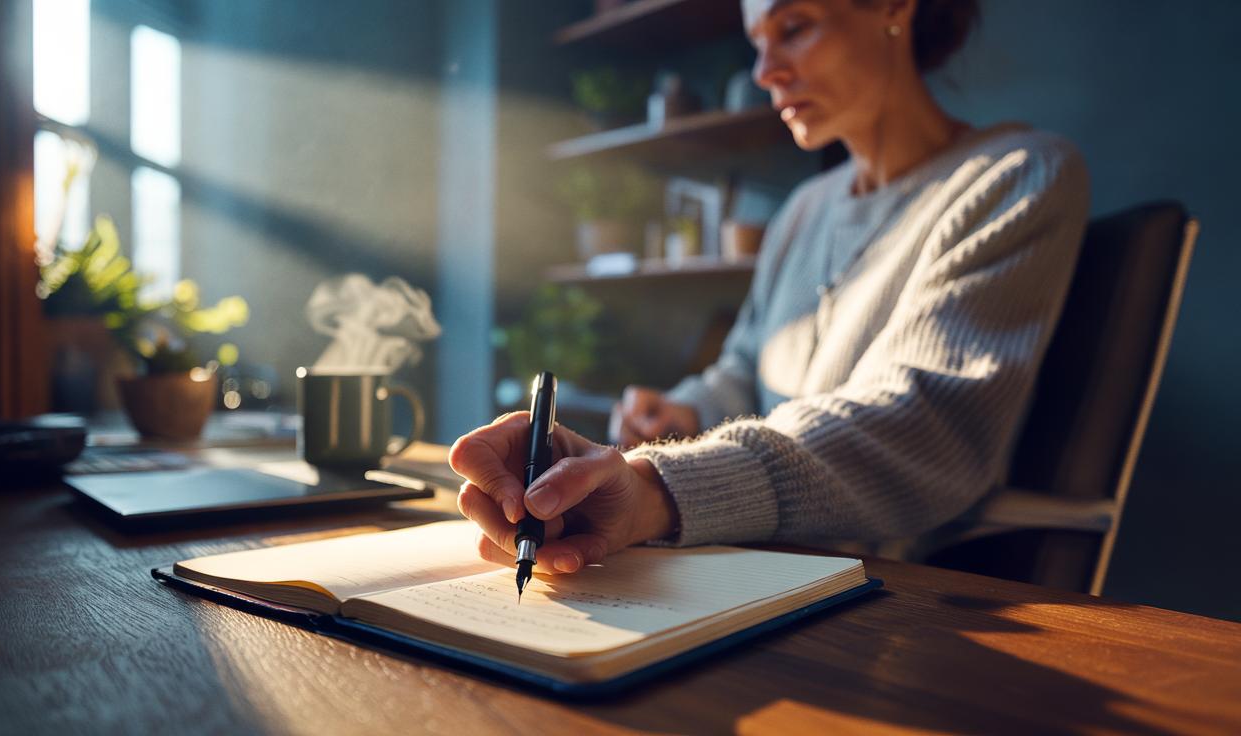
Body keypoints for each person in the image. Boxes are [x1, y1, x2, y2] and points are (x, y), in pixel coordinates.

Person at [449, 0, 1090, 575]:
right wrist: (686, 411)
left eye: (795, 27)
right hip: (750, 561)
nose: (765, 71)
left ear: (896, 7)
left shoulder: (1014, 177)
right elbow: (748, 366)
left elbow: (920, 419)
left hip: (891, 586)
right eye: (758, 41)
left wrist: (657, 488)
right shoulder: (804, 209)